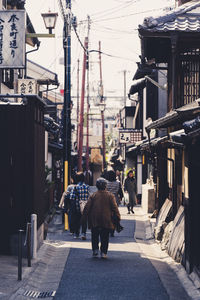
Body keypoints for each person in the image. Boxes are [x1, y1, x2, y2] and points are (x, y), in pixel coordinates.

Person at [82, 177, 120, 259]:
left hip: (94, 219)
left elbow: (87, 207)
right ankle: (104, 252)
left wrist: (84, 216)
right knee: (105, 236)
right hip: (106, 219)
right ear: (105, 186)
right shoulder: (110, 196)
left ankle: (95, 250)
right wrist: (118, 217)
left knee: (94, 235)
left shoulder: (93, 195)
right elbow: (115, 207)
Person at [70, 172, 90, 240]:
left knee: (77, 220)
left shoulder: (75, 187)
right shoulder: (87, 187)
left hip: (77, 206)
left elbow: (72, 197)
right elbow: (90, 196)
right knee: (84, 220)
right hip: (85, 206)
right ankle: (83, 233)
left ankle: (76, 233)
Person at [106, 170, 123, 237]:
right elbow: (120, 192)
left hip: (107, 200)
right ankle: (113, 229)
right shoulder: (118, 183)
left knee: (108, 215)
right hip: (115, 200)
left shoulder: (106, 183)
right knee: (114, 215)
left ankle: (108, 228)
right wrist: (121, 198)